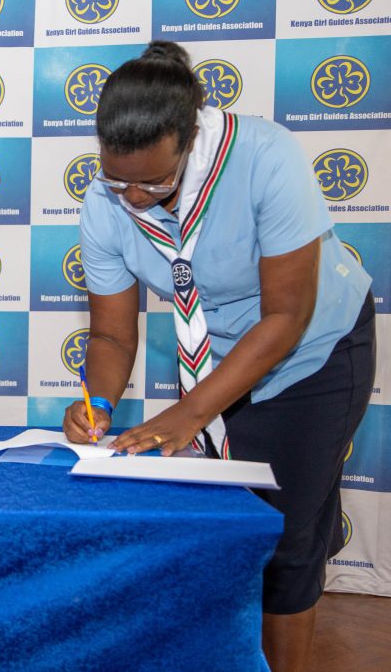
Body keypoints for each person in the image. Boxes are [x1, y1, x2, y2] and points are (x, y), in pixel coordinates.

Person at [62, 42, 375, 672]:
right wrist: (97, 403)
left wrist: (186, 416)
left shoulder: (265, 157)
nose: (133, 197)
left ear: (189, 139)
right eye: (117, 178)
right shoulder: (104, 201)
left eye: (153, 181)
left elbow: (286, 316)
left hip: (311, 353)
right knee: (213, 527)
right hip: (212, 363)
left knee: (284, 538)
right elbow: (113, 338)